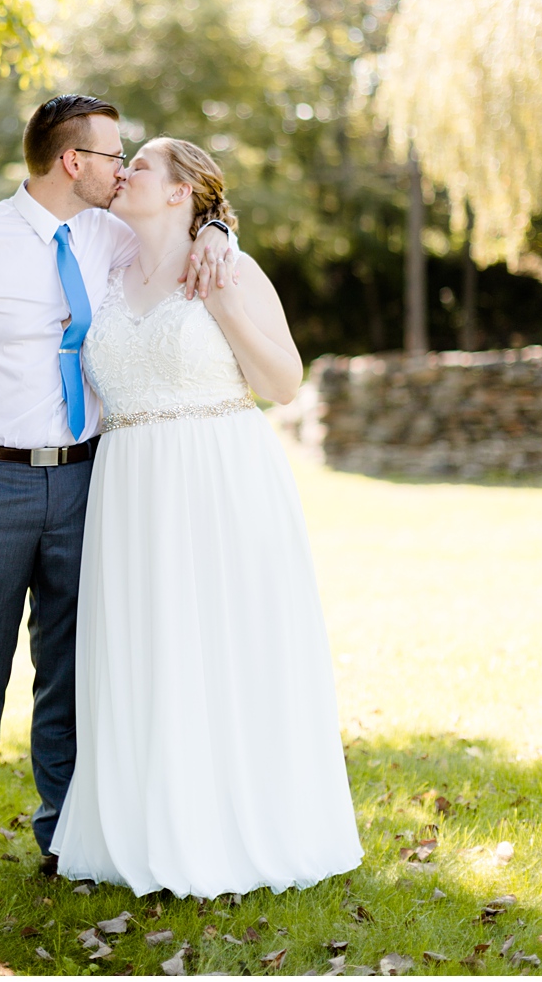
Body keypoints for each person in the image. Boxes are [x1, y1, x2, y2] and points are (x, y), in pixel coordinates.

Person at [0, 96, 235, 892]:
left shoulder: (111, 233)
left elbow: (191, 213)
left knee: (71, 671)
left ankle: (64, 839)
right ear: (71, 161)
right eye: (113, 154)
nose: (125, 168)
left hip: (88, 480)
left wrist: (221, 230)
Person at [48, 137, 361, 896]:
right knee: (145, 649)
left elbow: (283, 382)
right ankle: (148, 825)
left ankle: (236, 823)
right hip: (129, 487)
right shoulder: (104, 264)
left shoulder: (229, 268)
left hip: (220, 475)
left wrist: (222, 294)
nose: (125, 173)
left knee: (226, 644)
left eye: (143, 165)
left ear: (183, 191)